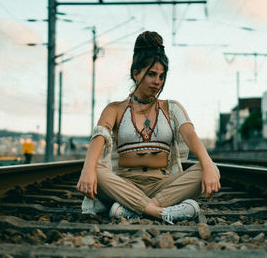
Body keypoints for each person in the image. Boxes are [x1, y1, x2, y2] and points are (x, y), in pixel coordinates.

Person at [76, 31, 220, 224]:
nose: (157, 82)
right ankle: (161, 212)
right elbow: (99, 136)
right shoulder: (115, 109)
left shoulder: (172, 108)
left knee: (210, 167)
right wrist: (87, 170)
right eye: (151, 74)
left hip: (162, 185)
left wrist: (209, 167)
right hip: (125, 183)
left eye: (161, 76)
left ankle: (133, 209)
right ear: (136, 73)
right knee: (97, 171)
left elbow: (190, 135)